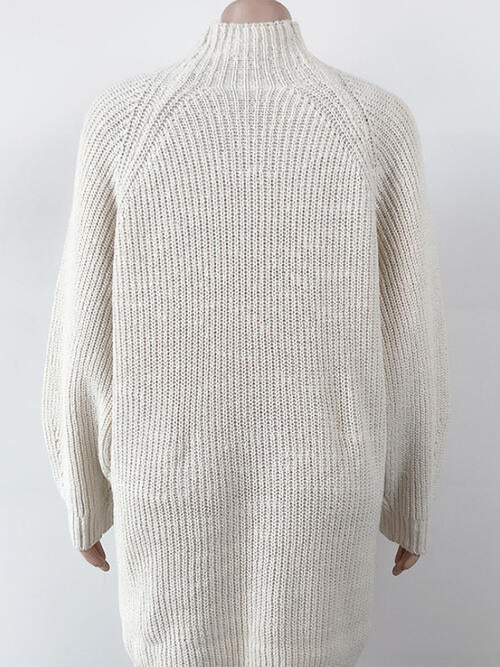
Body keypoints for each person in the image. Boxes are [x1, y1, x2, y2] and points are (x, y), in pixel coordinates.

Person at [41, 1, 449, 664]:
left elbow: (81, 333)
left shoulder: (125, 119)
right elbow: (412, 338)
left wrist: (84, 490)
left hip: (168, 475)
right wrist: (410, 497)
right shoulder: (373, 120)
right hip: (323, 480)